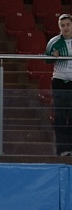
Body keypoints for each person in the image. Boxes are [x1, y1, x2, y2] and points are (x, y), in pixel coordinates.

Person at [46, 14, 72, 157]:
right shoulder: (54, 41)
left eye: (68, 25)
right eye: (62, 26)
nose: (65, 28)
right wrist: (52, 56)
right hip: (60, 80)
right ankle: (62, 150)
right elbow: (46, 61)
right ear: (59, 27)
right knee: (61, 115)